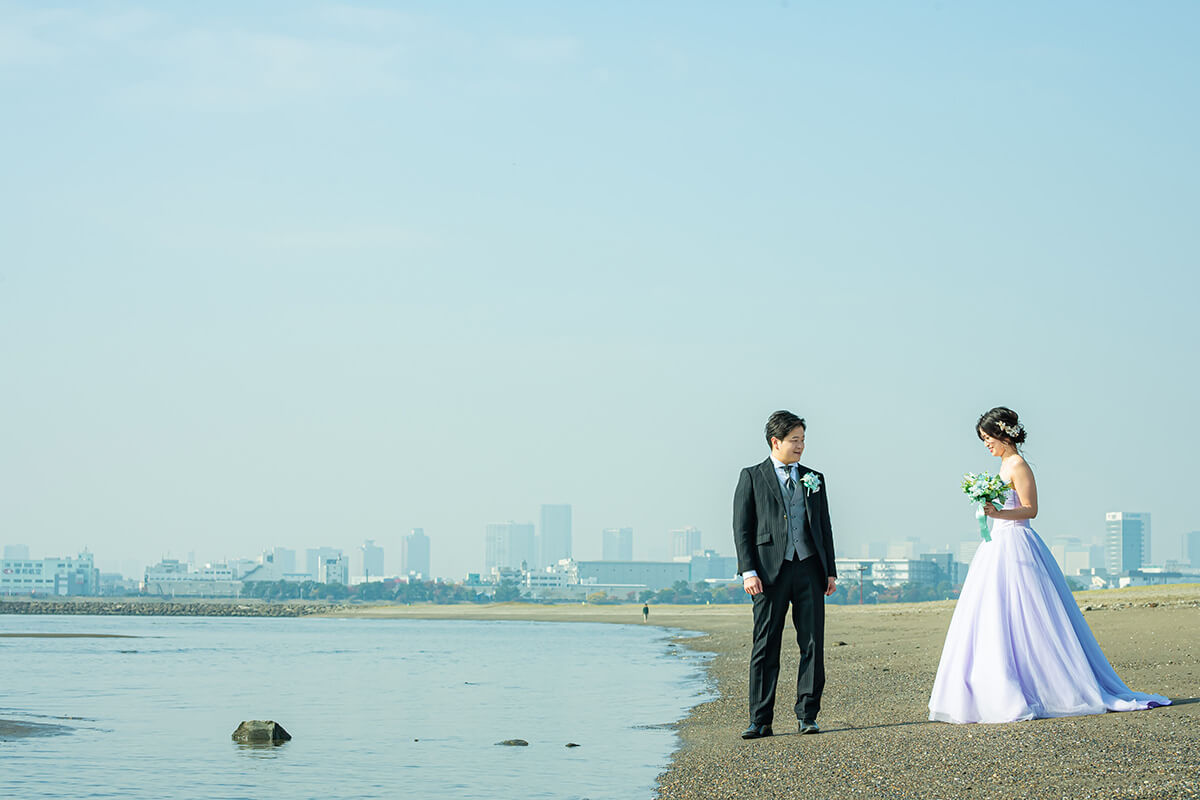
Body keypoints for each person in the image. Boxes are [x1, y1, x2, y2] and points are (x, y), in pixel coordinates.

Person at [928, 407, 1171, 724]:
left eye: (988, 438)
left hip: (1016, 542)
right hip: (995, 546)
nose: (986, 444)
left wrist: (997, 513)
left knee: (1030, 613)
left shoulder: (1018, 465)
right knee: (992, 613)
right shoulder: (1002, 465)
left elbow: (1031, 509)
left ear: (1004, 435)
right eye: (983, 440)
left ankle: (1045, 684)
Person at [732, 410, 837, 739]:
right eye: (795, 440)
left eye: (803, 440)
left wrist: (830, 571)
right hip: (767, 573)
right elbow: (742, 528)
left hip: (808, 568)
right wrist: (748, 571)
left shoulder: (814, 478)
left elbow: (824, 527)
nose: (801, 446)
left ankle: (808, 714)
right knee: (765, 646)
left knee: (812, 644)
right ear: (775, 441)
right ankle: (760, 719)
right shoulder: (751, 476)